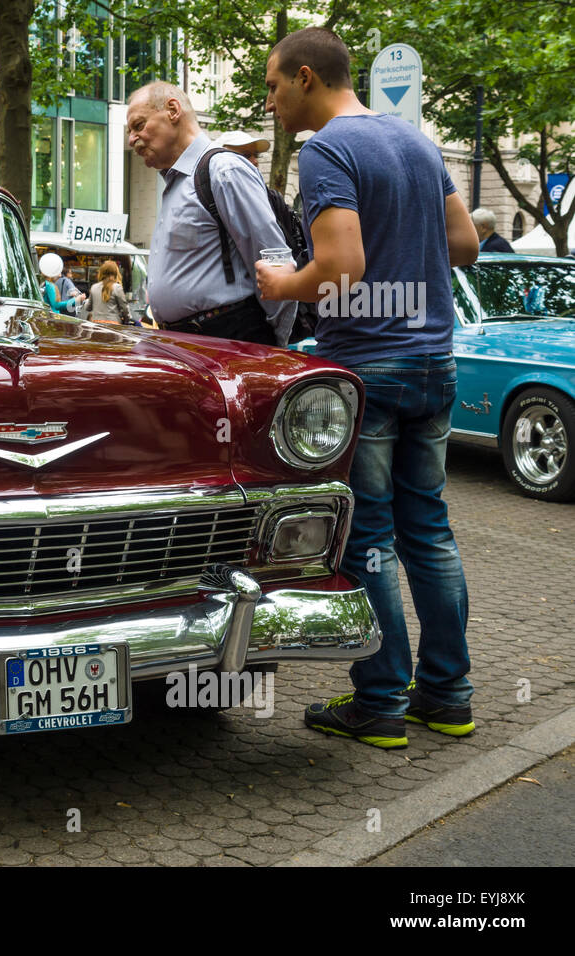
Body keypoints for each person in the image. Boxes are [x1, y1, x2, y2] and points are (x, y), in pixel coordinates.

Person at [256, 26, 479, 748]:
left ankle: (381, 701)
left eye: (273, 86)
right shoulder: (416, 142)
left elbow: (341, 267)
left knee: (370, 538)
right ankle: (447, 696)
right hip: (433, 364)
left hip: (371, 368)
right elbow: (465, 245)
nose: (270, 102)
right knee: (431, 533)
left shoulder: (327, 150)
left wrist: (283, 283)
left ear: (308, 78)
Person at [126, 82, 296, 345]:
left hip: (227, 341)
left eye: (139, 125)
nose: (131, 139)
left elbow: (275, 260)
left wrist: (273, 348)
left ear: (173, 110)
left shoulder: (224, 170)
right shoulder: (179, 181)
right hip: (191, 342)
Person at [87, 261, 132, 325]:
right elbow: (124, 309)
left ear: (101, 272)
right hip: (113, 325)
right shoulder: (117, 288)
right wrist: (126, 320)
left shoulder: (94, 287)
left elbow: (88, 307)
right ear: (115, 273)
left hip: (96, 324)